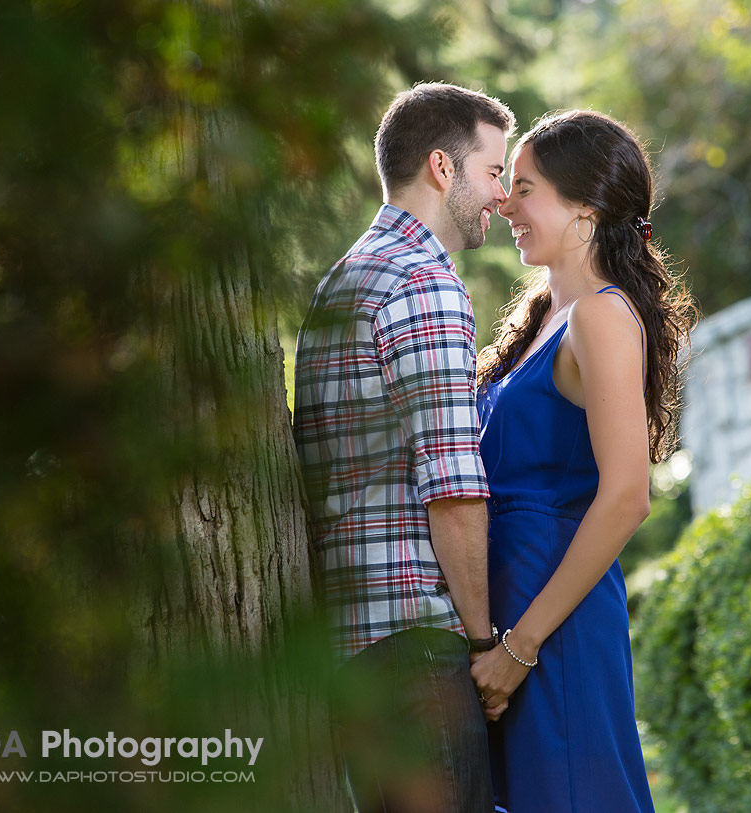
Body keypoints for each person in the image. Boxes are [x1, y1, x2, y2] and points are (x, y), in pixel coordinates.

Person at [292, 82, 514, 812]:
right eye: (492, 171)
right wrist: (484, 644)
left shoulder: (346, 277)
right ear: (443, 169)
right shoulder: (424, 283)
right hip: (419, 648)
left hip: (356, 649)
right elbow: (452, 487)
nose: (502, 195)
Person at [470, 110, 695, 813]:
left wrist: (522, 647)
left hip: (552, 628)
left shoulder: (600, 314)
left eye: (526, 188)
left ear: (585, 210)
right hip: (508, 617)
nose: (505, 202)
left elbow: (628, 496)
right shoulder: (541, 313)